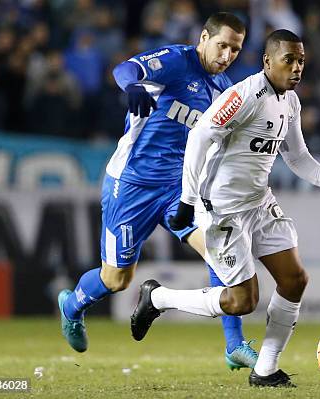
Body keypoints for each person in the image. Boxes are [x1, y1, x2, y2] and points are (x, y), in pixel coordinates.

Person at [130, 29, 320, 387]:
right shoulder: (245, 95)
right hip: (222, 210)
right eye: (289, 60)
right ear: (268, 61)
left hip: (259, 203)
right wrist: (188, 201)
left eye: (301, 62)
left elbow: (296, 156)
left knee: (295, 280)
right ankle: (158, 298)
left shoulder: (290, 103)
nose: (296, 68)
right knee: (242, 301)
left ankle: (265, 370)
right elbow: (200, 138)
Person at [57, 12, 258, 371]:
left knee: (219, 251)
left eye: (235, 49)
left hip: (178, 190)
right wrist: (133, 87)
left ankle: (235, 345)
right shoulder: (176, 61)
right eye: (222, 45)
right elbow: (124, 71)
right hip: (132, 183)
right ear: (203, 38)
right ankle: (72, 306)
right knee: (116, 279)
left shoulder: (224, 89)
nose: (227, 55)